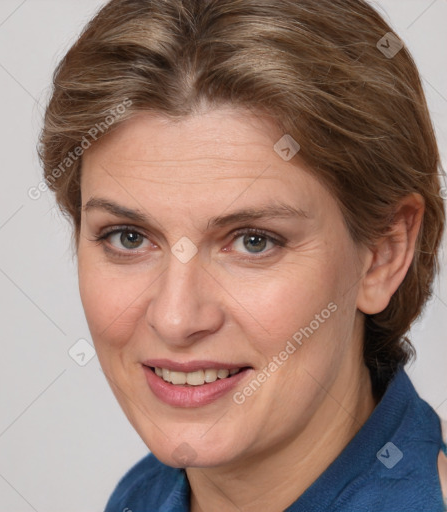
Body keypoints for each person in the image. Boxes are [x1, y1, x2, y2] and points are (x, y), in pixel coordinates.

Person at [37, 0, 447, 510]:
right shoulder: (143, 496)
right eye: (128, 237)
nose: (175, 317)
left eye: (254, 241)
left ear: (384, 254)